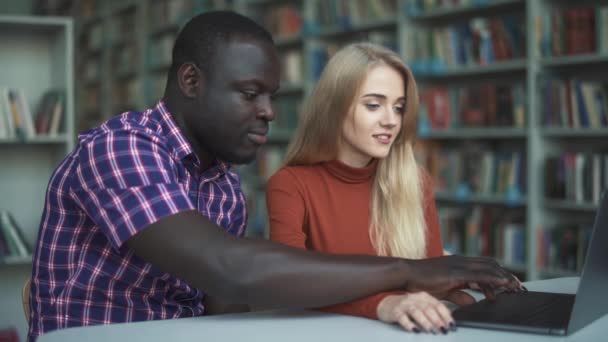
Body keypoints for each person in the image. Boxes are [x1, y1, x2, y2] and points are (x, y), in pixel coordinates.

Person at [28, 11, 520, 341]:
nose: (267, 113)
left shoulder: (222, 184)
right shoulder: (121, 149)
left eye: (272, 97)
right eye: (249, 94)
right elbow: (230, 268)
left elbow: (225, 304)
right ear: (191, 81)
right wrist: (410, 272)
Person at [266, 43, 519, 334]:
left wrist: (465, 279)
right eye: (373, 105)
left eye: (398, 108)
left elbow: (429, 272)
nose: (391, 120)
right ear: (334, 107)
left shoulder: (415, 180)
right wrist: (383, 304)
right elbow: (289, 285)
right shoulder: (290, 184)